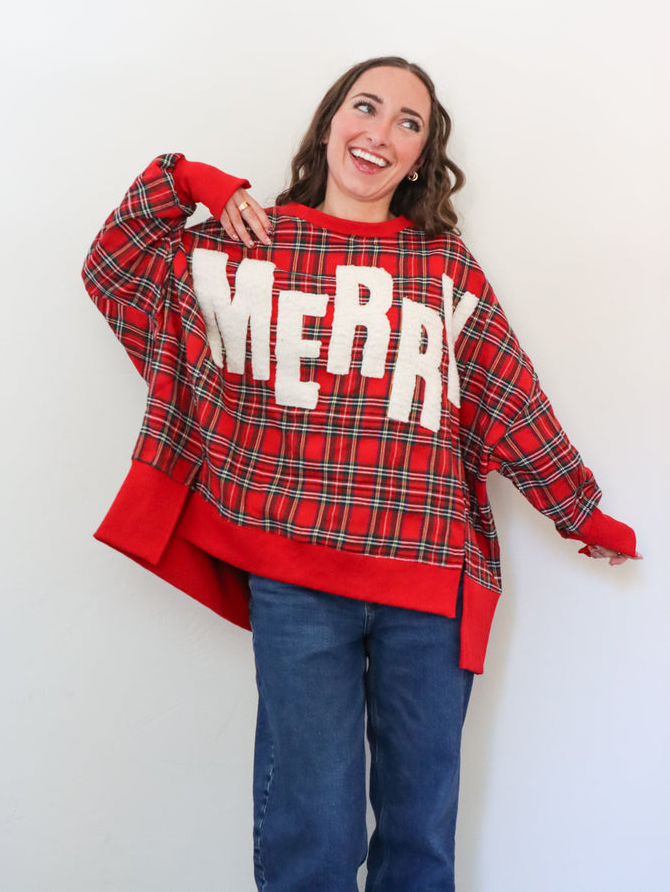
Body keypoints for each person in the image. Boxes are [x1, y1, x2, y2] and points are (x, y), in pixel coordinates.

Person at [82, 57, 639, 892]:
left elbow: (506, 393)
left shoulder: (443, 266)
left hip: (430, 579)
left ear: (422, 157)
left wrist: (579, 509)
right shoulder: (250, 247)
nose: (380, 132)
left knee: (420, 841)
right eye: (366, 107)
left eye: (408, 123)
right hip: (297, 582)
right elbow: (114, 265)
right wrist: (190, 179)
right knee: (316, 830)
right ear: (329, 122)